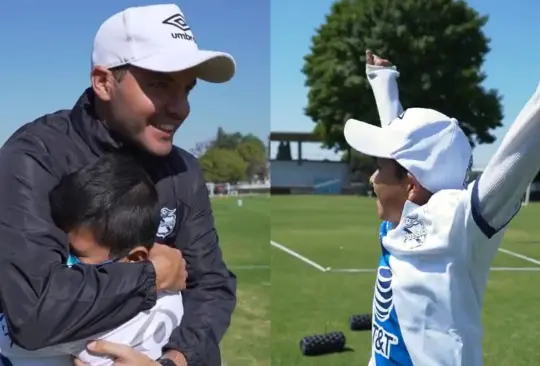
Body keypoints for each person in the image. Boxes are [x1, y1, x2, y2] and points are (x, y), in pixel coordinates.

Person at [0, 4, 236, 365]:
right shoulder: (35, 157)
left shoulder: (183, 170)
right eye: (160, 85)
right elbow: (33, 312)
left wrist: (174, 361)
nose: (181, 107)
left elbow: (212, 285)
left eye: (187, 89)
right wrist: (151, 275)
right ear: (103, 82)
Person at [344, 50, 540, 365]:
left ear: (411, 184)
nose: (372, 179)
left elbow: (520, 151)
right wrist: (383, 81)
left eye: (378, 168)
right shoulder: (400, 221)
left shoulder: (457, 224)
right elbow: (401, 146)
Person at [0, 152, 184, 366]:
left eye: (76, 255)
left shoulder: (136, 317)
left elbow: (28, 327)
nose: (62, 261)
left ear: (135, 259)